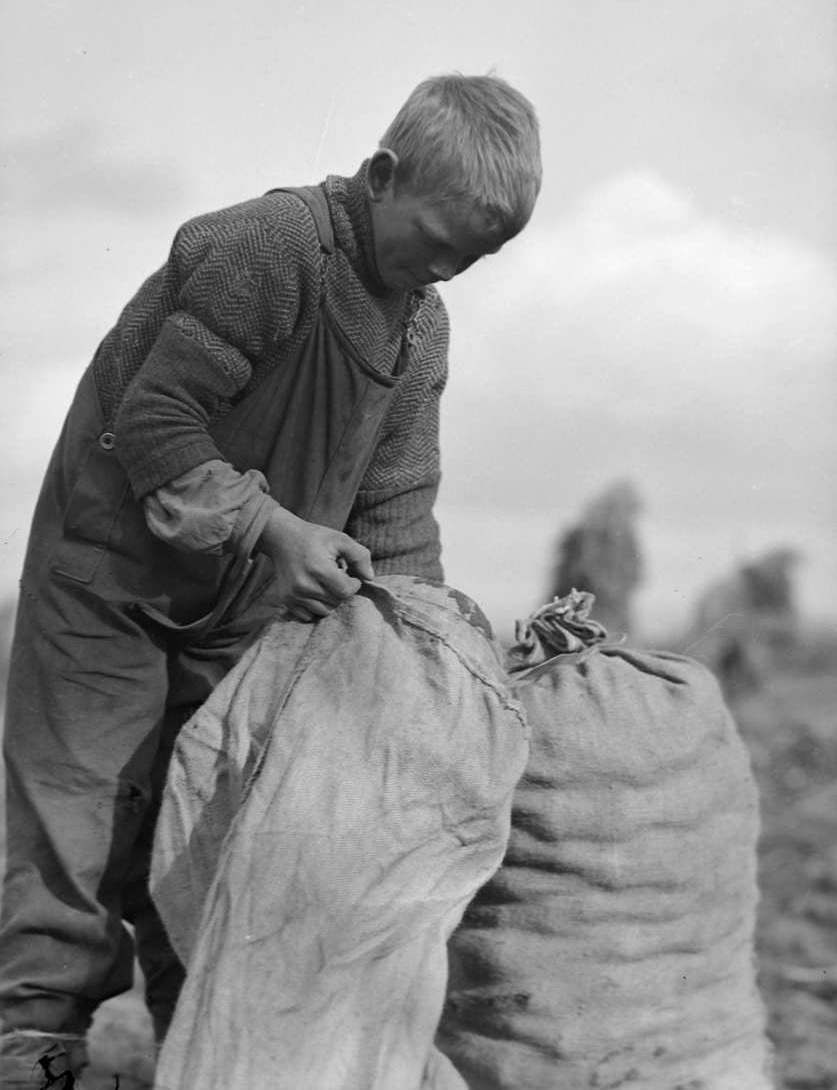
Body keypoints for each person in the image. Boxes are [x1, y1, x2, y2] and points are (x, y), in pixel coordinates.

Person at [0, 73, 541, 1088]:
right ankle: (36, 1046)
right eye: (440, 239)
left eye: (475, 258)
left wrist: (422, 642)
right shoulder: (268, 249)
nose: (449, 270)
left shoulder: (420, 330)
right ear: (383, 176)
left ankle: (202, 1053)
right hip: (108, 575)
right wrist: (273, 529)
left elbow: (395, 512)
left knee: (209, 825)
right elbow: (157, 423)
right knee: (78, 812)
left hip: (242, 604)